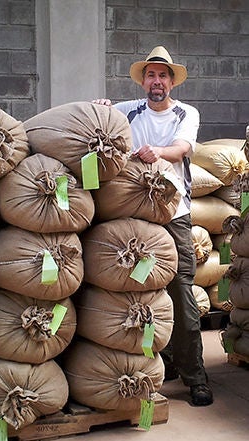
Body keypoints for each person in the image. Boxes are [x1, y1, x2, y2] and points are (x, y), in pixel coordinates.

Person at [93, 46, 213, 407]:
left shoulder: (184, 112)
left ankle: (195, 377)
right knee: (134, 293)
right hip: (134, 217)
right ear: (143, 80)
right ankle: (161, 365)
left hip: (173, 216)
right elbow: (101, 121)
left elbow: (182, 149)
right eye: (151, 75)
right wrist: (97, 107)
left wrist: (157, 152)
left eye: (163, 75)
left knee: (180, 291)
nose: (156, 81)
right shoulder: (129, 110)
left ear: (172, 81)